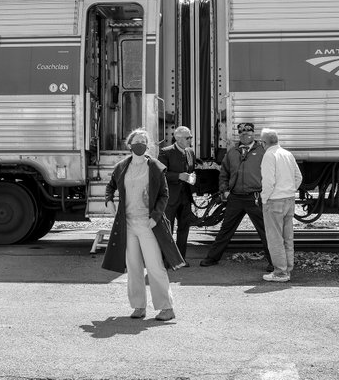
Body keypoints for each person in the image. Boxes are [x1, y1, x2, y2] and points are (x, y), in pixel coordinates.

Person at [101, 128, 185, 322]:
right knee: (134, 267)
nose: (141, 144)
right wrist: (109, 201)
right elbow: (110, 186)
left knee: (155, 267)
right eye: (137, 140)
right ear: (129, 144)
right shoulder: (122, 166)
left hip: (148, 225)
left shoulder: (155, 167)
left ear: (148, 146)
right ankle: (139, 306)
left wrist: (155, 217)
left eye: (144, 141)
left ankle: (166, 307)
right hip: (127, 225)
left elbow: (164, 194)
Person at [200, 122, 274, 271]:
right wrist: (224, 190)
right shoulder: (232, 152)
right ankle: (212, 258)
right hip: (235, 197)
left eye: (248, 130)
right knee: (226, 229)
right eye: (240, 131)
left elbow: (271, 172)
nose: (244, 133)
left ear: (254, 133)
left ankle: (273, 262)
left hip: (255, 197)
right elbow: (224, 173)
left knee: (265, 230)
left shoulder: (262, 151)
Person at [260, 128, 303, 282]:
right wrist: (290, 191)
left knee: (275, 239)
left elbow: (268, 182)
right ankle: (287, 269)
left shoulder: (269, 156)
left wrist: (264, 199)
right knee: (287, 238)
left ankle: (280, 273)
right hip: (289, 200)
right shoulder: (287, 154)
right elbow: (298, 177)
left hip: (274, 201)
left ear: (264, 143)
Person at [158, 126, 196, 265]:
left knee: (184, 228)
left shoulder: (190, 152)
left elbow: (192, 170)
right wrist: (179, 176)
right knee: (168, 229)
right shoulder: (165, 152)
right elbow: (160, 174)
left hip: (186, 197)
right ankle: (166, 259)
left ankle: (180, 259)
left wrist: (192, 178)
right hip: (171, 197)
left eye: (190, 137)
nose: (190, 140)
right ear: (178, 138)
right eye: (188, 138)